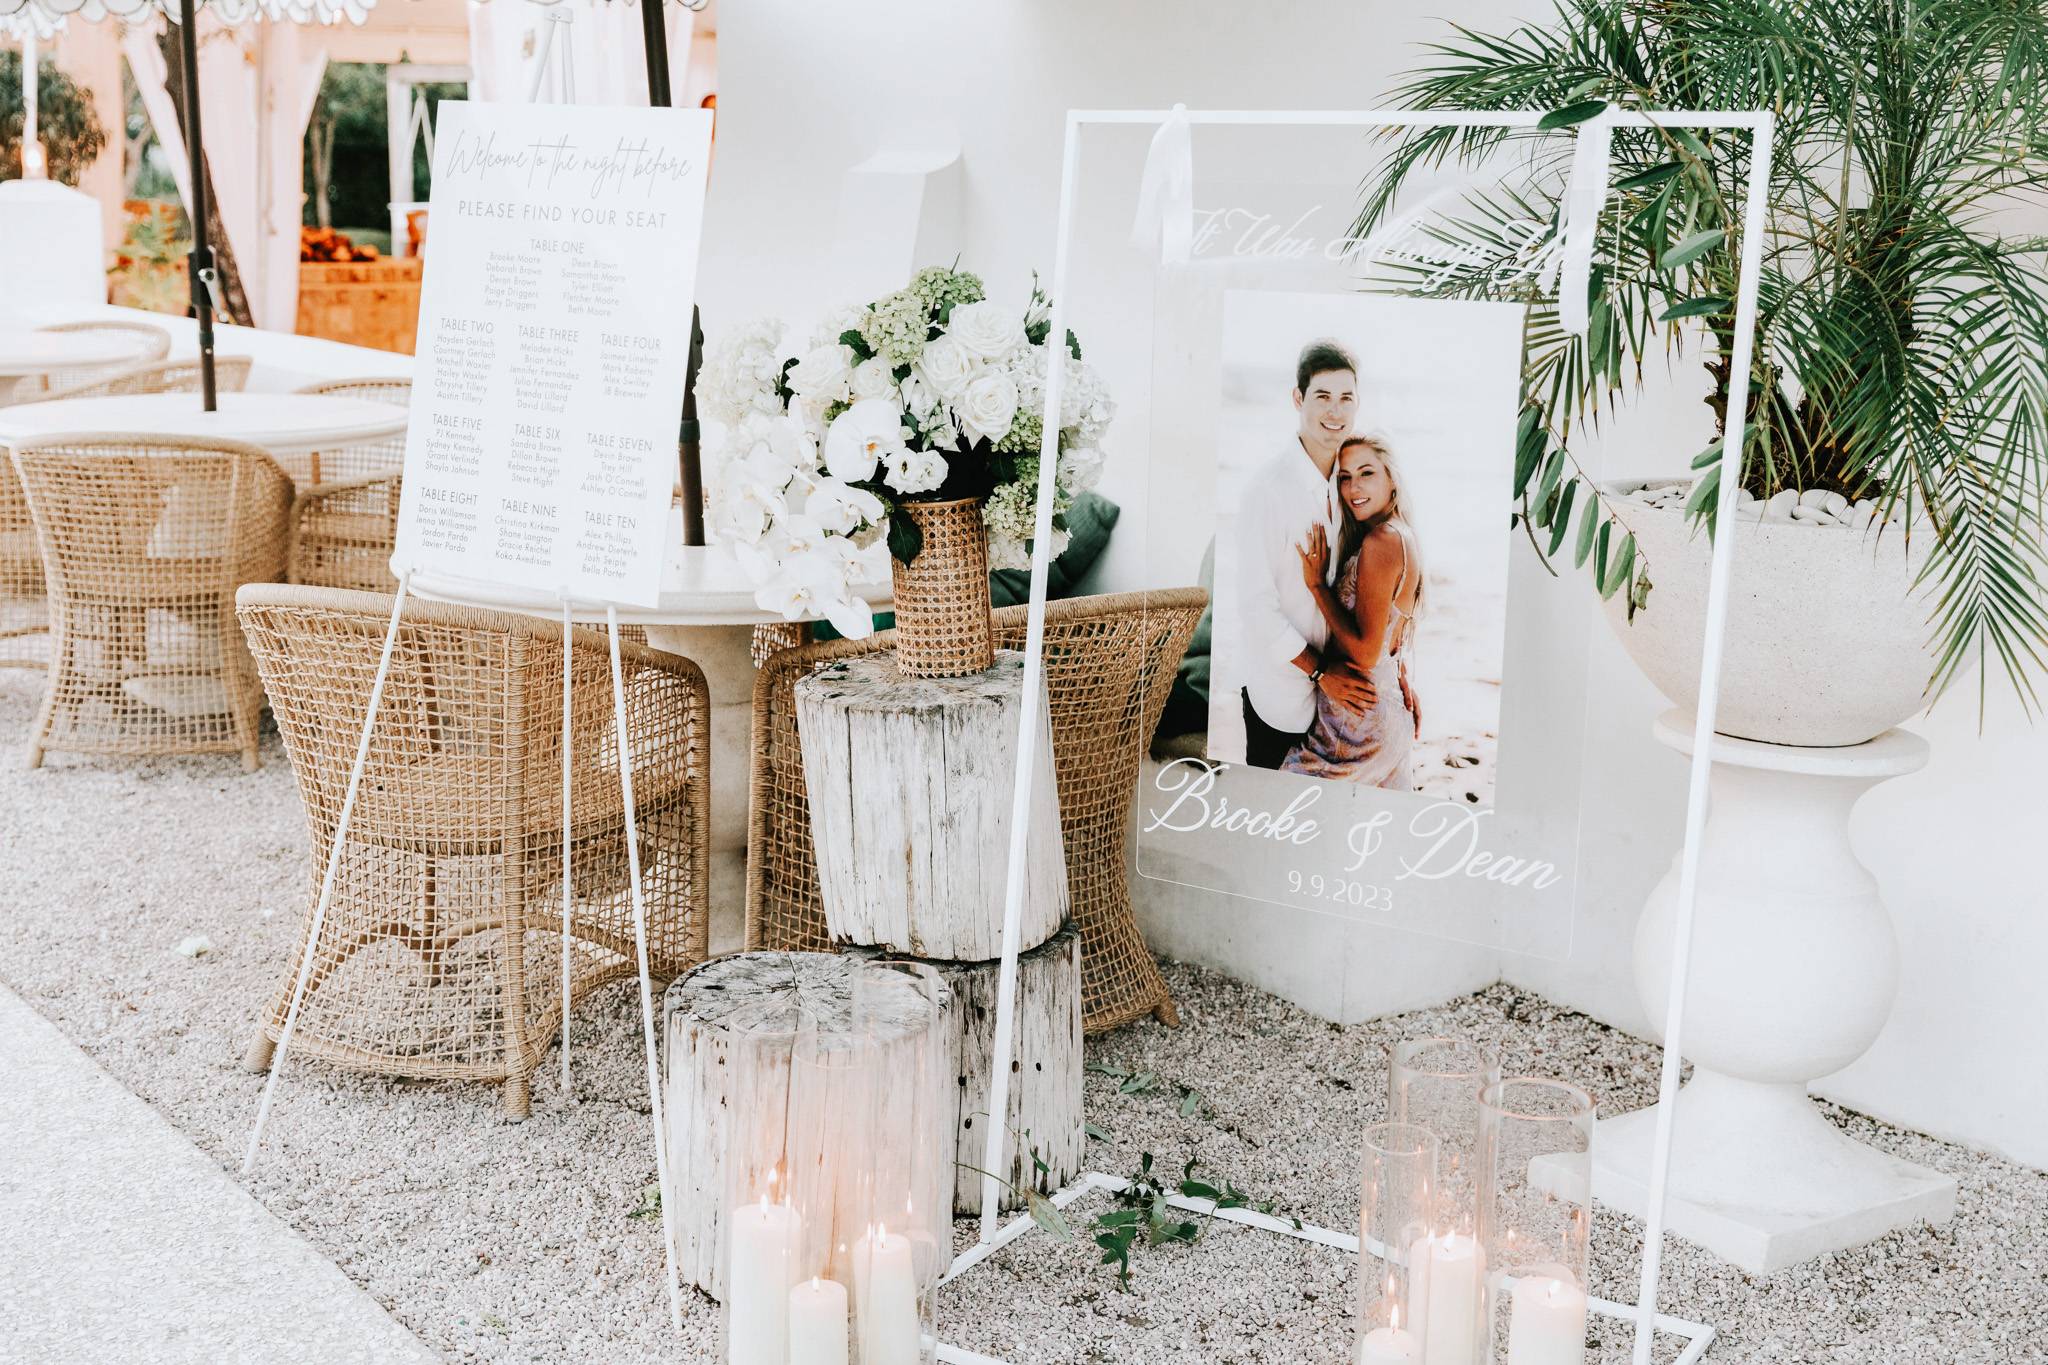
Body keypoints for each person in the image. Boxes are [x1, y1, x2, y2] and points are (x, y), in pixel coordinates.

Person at [1232, 340, 1377, 768]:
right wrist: (1318, 672)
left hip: (1338, 697)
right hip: (1281, 694)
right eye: (1323, 397)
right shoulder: (1267, 491)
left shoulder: (1351, 485)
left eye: (1346, 398)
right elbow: (1255, 608)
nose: (1336, 411)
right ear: (1298, 399)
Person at [1282, 433, 1423, 786]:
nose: (1353, 487)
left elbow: (1363, 653)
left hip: (1355, 728)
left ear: (1392, 480)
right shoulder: (1401, 535)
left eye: (1366, 473)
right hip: (1382, 714)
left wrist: (1317, 586)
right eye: (1344, 477)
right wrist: (1401, 672)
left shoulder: (1382, 541)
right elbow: (1388, 631)